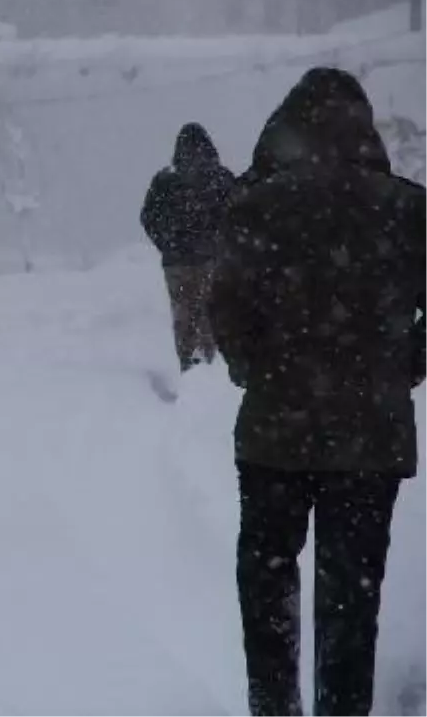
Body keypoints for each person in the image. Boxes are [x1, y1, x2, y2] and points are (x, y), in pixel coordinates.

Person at [209, 67, 427, 717]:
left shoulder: (258, 207)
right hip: (371, 437)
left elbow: (227, 307)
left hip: (275, 433)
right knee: (351, 594)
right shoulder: (410, 209)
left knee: (268, 575)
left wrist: (258, 367)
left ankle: (274, 705)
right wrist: (406, 363)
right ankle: (342, 707)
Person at [140, 123, 235, 372]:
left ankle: (188, 363)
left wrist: (167, 243)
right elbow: (239, 214)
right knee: (212, 314)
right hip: (211, 260)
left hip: (176, 263)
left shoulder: (165, 180)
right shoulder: (221, 177)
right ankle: (213, 366)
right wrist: (223, 242)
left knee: (184, 316)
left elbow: (148, 217)